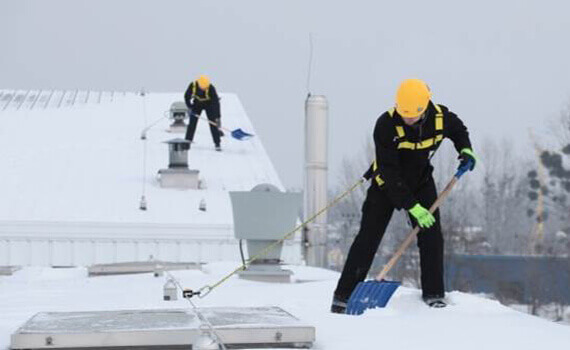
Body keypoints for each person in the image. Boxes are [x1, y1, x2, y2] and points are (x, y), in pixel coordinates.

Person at [331, 79, 476, 312]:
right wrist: (413, 207)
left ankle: (434, 294)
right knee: (367, 239)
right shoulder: (386, 125)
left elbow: (459, 131)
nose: (408, 119)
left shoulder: (441, 118)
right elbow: (388, 172)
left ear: (425, 106)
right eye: (404, 114)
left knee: (432, 236)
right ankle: (344, 296)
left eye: (413, 115)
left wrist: (466, 150)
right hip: (386, 186)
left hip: (421, 183)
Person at [184, 75, 223, 151]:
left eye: (205, 87)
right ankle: (187, 142)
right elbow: (186, 96)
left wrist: (218, 117)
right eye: (202, 87)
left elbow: (216, 104)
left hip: (209, 105)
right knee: (192, 123)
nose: (204, 89)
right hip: (197, 104)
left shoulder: (211, 88)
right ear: (199, 84)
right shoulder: (193, 85)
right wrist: (189, 107)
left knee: (213, 124)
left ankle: (217, 143)